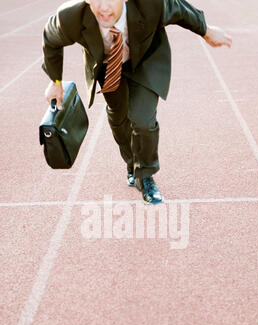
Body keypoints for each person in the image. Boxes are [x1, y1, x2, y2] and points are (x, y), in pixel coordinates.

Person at [42, 0, 232, 204]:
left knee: (142, 120)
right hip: (108, 68)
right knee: (118, 118)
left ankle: (145, 176)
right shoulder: (70, 17)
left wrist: (206, 30)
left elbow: (178, 8)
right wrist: (56, 81)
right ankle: (132, 164)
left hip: (145, 60)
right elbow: (51, 39)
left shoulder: (151, 4)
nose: (104, 7)